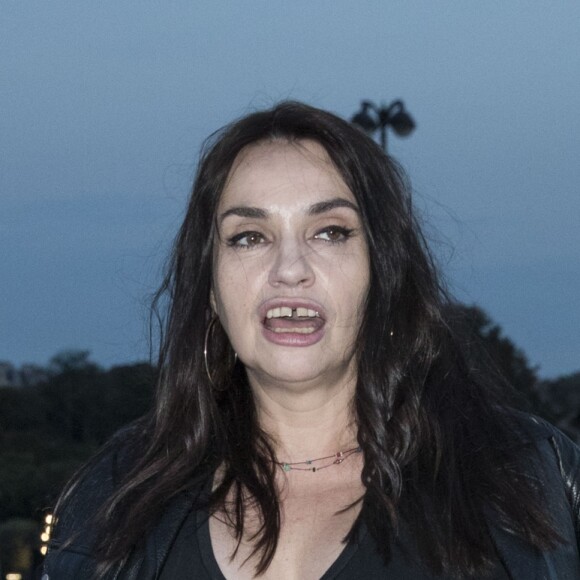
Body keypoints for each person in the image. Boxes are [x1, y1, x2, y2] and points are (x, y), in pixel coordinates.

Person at [42, 102, 580, 579]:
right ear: (210, 290)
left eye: (330, 231)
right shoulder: (114, 495)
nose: (289, 268)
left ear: (383, 274)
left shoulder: (525, 476)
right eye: (249, 237)